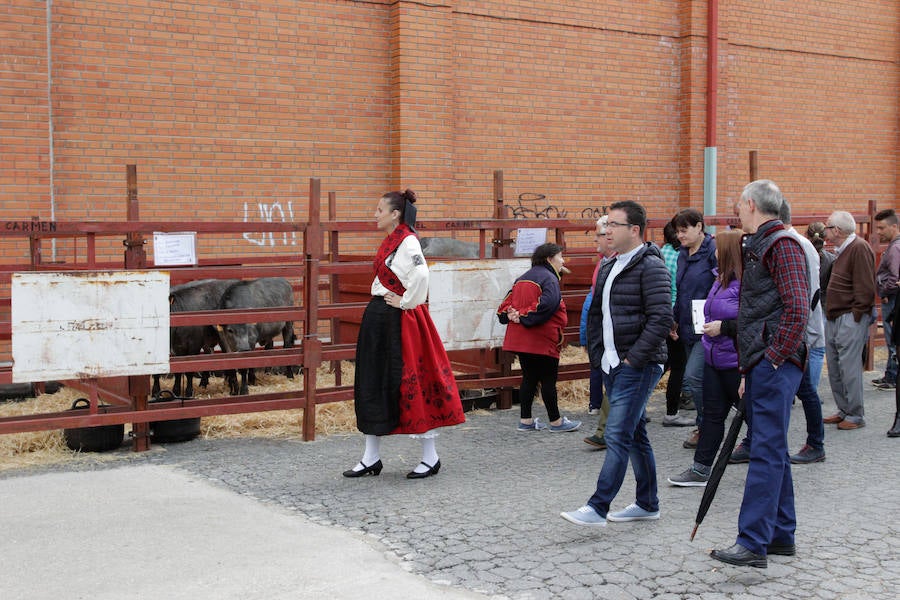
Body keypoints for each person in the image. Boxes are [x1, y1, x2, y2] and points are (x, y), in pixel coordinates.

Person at [710, 179, 808, 569]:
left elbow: (798, 309)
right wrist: (756, 362)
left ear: (751, 204)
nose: (736, 210)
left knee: (765, 452)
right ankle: (780, 534)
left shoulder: (780, 244)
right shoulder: (765, 244)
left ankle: (752, 542)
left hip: (775, 362)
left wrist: (770, 358)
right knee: (774, 449)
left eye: (738, 204)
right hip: (766, 361)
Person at [560, 200, 671, 527]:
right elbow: (597, 316)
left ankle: (598, 506)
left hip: (638, 365)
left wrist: (633, 359)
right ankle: (648, 503)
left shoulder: (651, 266)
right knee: (635, 435)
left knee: (618, 434)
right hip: (611, 363)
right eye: (606, 226)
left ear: (634, 230)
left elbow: (662, 318)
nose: (606, 230)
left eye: (614, 225)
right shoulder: (610, 264)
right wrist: (599, 356)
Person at [345, 189, 465, 479]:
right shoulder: (392, 241)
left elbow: (422, 274)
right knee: (372, 382)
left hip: (400, 321)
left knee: (414, 381)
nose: (375, 214)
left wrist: (407, 301)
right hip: (381, 316)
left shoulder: (407, 241)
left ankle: (430, 457)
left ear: (395, 213)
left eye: (379, 209)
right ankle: (370, 457)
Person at [730, 201, 828, 465]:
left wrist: (778, 351)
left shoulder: (790, 245)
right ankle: (760, 443)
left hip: (792, 335)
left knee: (805, 391)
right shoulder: (776, 242)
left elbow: (803, 297)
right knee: (799, 393)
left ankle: (815, 443)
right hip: (782, 334)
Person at [668, 229, 743, 487]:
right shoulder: (718, 279)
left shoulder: (745, 284)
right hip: (714, 358)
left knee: (755, 416)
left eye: (719, 247)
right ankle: (700, 470)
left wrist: (725, 327)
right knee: (712, 416)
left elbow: (753, 322)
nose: (715, 251)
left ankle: (770, 466)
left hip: (735, 362)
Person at [498, 243, 582, 433]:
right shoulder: (550, 278)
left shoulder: (521, 279)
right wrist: (524, 316)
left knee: (528, 378)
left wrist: (513, 314)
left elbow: (503, 307)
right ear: (549, 259)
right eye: (561, 256)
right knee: (548, 380)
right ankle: (556, 422)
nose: (563, 261)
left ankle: (526, 421)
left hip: (520, 339)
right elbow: (548, 305)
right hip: (542, 338)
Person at [821, 210, 876, 430]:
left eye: (827, 226)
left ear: (837, 230)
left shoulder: (858, 248)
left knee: (849, 367)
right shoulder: (843, 250)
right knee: (835, 366)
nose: (825, 230)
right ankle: (844, 410)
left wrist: (856, 315)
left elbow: (865, 287)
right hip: (836, 316)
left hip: (848, 317)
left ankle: (854, 414)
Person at [672, 209, 718, 448]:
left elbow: (722, 285)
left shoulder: (713, 251)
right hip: (688, 326)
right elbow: (681, 291)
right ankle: (707, 425)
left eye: (684, 230)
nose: (680, 235)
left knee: (692, 376)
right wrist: (675, 319)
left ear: (700, 227)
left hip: (710, 325)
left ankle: (706, 426)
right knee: (701, 378)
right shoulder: (682, 253)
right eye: (678, 231)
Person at [581, 216, 614, 449]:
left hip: (620, 338)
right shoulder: (602, 263)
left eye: (599, 235)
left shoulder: (617, 263)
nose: (595, 240)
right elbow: (594, 302)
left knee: (615, 384)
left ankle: (607, 432)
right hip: (605, 333)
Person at [661, 220, 694, 428]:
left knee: (661, 363)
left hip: (660, 311)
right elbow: (679, 289)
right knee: (678, 364)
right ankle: (672, 413)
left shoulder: (661, 252)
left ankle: (640, 404)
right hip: (676, 314)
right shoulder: (682, 256)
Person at [873, 209, 900, 390]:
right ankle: (890, 375)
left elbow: (894, 277)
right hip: (892, 297)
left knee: (892, 339)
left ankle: (892, 377)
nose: (879, 232)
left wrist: (884, 292)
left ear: (894, 226)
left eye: (882, 228)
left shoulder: (895, 248)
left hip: (892, 299)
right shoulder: (894, 246)